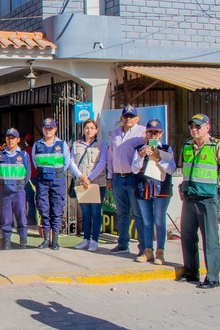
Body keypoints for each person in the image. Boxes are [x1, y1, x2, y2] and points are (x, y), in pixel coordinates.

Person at [179, 114, 220, 289]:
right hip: (189, 198)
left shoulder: (217, 146)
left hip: (208, 199)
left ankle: (212, 277)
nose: (194, 130)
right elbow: (183, 168)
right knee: (188, 237)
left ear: (207, 128)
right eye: (192, 127)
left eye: (198, 126)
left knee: (210, 239)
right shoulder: (187, 145)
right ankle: (191, 272)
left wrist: (219, 187)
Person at [130, 119, 175, 264]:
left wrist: (158, 158)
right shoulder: (139, 149)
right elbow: (134, 169)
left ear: (161, 133)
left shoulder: (167, 149)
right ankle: (147, 250)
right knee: (147, 222)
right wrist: (142, 156)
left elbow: (171, 169)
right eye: (150, 132)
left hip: (161, 190)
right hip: (144, 189)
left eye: (156, 132)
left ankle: (160, 251)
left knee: (159, 221)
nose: (153, 135)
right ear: (146, 133)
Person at [106, 105, 146, 255]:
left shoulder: (141, 133)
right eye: (126, 116)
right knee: (122, 213)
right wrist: (109, 177)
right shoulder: (115, 134)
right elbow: (111, 157)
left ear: (136, 118)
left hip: (133, 178)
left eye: (131, 116)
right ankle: (123, 244)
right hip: (117, 178)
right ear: (121, 118)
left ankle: (143, 247)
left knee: (137, 213)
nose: (128, 119)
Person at [32, 118, 70, 250]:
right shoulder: (37, 145)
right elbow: (35, 162)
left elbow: (67, 162)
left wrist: (55, 172)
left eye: (51, 128)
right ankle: (46, 239)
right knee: (44, 209)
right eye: (46, 128)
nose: (48, 131)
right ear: (42, 129)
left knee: (57, 209)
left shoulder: (62, 144)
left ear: (55, 129)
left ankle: (55, 240)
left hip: (57, 180)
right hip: (42, 180)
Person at [70, 120, 107, 252]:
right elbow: (71, 162)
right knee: (85, 213)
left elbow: (102, 163)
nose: (89, 130)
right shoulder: (76, 145)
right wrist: (81, 176)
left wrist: (90, 177)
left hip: (96, 183)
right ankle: (85, 239)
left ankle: (94, 240)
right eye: (86, 128)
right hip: (82, 183)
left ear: (96, 130)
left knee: (96, 213)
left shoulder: (101, 145)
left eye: (92, 128)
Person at [0, 128, 30, 250]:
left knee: (21, 217)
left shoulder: (23, 155)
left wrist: (18, 185)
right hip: (5, 192)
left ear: (18, 140)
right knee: (6, 219)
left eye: (13, 138)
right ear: (6, 139)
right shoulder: (0, 155)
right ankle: (7, 243)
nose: (10, 141)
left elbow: (27, 175)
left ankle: (23, 242)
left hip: (19, 191)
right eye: (8, 138)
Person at [24, 133, 40, 236]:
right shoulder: (36, 151)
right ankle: (38, 218)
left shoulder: (25, 153)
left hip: (29, 178)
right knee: (38, 198)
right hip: (38, 177)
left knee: (30, 199)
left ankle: (31, 217)